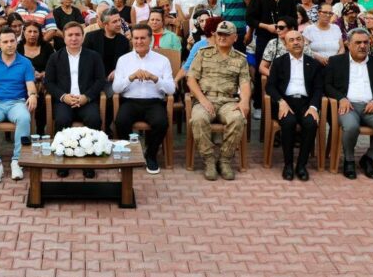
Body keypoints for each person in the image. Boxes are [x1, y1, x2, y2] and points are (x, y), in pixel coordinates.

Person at [324, 28, 373, 180]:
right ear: (348, 44)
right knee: (351, 127)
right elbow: (327, 85)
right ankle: (349, 160)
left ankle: (368, 158)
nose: (362, 46)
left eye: (365, 42)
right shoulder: (336, 61)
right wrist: (341, 98)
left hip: (370, 106)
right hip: (347, 105)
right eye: (358, 43)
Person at [187, 19, 251, 180]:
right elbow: (191, 80)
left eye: (226, 35)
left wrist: (244, 101)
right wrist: (202, 100)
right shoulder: (203, 53)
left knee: (237, 118)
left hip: (228, 101)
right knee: (198, 119)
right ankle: (209, 160)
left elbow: (245, 83)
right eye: (219, 34)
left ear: (235, 37)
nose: (222, 37)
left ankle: (224, 160)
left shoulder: (240, 59)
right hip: (205, 99)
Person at [44, 22, 106, 178]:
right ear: (64, 38)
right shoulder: (55, 57)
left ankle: (89, 162)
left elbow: (100, 80)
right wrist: (64, 97)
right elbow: (49, 82)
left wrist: (87, 97)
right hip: (65, 100)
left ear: (83, 37)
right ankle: (63, 160)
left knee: (94, 119)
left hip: (86, 100)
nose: (74, 38)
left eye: (77, 34)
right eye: (70, 35)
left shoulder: (93, 56)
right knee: (62, 120)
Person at [0, 28, 38, 184]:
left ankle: (17, 160)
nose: (9, 45)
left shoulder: (25, 62)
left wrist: (32, 95)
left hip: (17, 102)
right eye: (5, 42)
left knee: (24, 117)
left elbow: (30, 85)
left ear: (17, 42)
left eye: (12, 41)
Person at [112, 24, 175, 173]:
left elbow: (171, 89)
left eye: (143, 38)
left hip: (154, 102)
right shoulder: (123, 60)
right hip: (130, 101)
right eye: (136, 38)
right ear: (132, 39)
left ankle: (150, 155)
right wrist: (131, 77)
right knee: (121, 121)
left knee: (161, 123)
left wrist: (155, 79)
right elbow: (116, 88)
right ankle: (129, 154)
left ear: (150, 39)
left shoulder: (162, 60)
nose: (139, 41)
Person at [265, 29, 324, 181]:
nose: (296, 42)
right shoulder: (279, 62)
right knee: (288, 122)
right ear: (285, 45)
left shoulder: (313, 63)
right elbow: (270, 86)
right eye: (291, 40)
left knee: (311, 123)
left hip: (306, 103)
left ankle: (302, 165)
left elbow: (318, 88)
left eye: (299, 39)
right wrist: (281, 102)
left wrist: (313, 107)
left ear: (304, 42)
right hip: (286, 101)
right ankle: (288, 165)